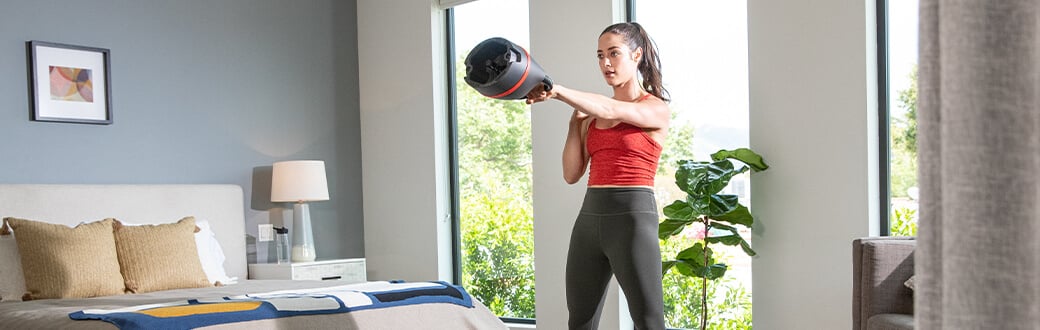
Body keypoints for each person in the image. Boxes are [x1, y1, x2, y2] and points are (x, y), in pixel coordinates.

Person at [526, 22, 670, 330]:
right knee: (580, 321)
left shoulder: (654, 108)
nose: (606, 63)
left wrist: (558, 91)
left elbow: (612, 110)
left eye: (614, 54)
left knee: (649, 321)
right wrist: (574, 124)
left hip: (632, 219)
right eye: (600, 55)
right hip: (589, 220)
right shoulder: (591, 115)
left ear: (636, 55)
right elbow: (570, 173)